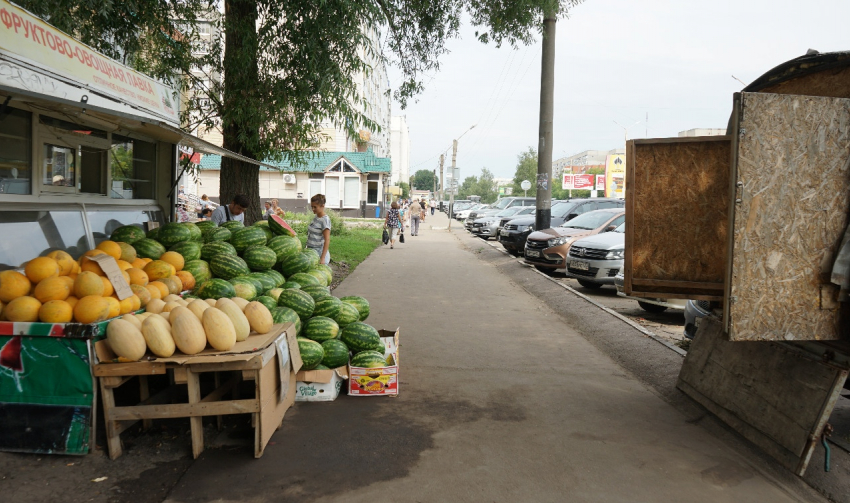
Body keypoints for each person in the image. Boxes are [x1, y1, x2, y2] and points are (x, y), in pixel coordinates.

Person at [307, 194, 331, 264]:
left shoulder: (325, 220)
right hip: (312, 252)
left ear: (322, 206)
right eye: (312, 207)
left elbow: (327, 240)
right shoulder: (316, 217)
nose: (313, 209)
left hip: (319, 253)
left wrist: (322, 258)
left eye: (315, 207)